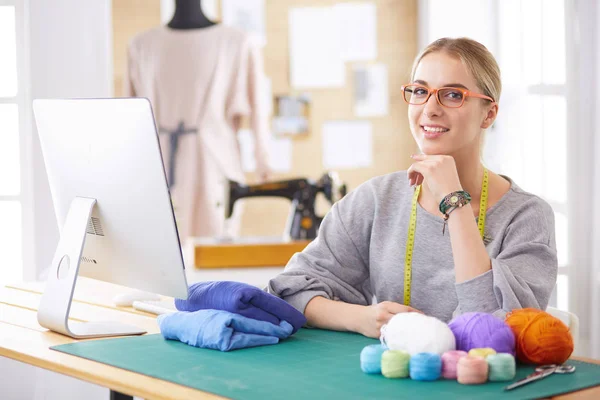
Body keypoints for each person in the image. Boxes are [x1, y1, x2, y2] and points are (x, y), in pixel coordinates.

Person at [267, 37, 558, 339]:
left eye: (452, 95)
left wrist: (454, 201)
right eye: (420, 91)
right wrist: (364, 318)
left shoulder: (526, 217)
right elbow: (288, 291)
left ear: (489, 114)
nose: (430, 109)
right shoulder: (377, 200)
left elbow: (492, 330)